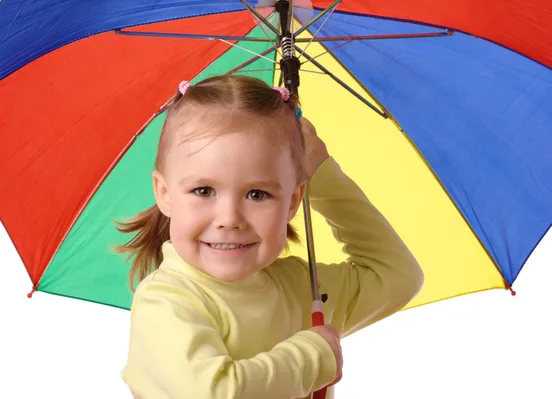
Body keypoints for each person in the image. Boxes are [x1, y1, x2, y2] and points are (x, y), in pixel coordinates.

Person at [116, 75, 424, 399]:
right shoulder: (167, 301)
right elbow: (213, 393)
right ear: (164, 194)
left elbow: (397, 276)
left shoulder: (302, 287)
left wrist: (322, 176)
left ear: (292, 201)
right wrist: (313, 358)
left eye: (257, 194)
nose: (230, 219)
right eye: (203, 190)